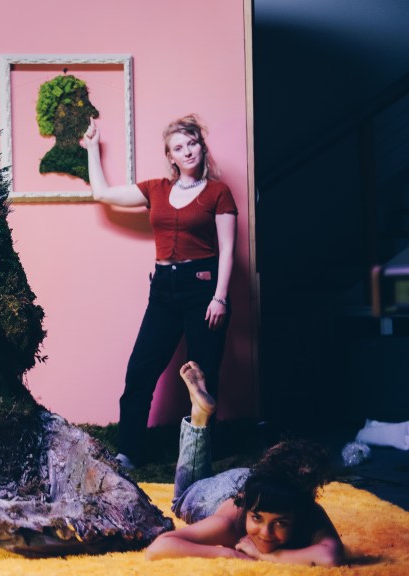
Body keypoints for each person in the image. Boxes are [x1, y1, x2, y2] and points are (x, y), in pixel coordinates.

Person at [81, 115, 238, 468]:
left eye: (192, 144)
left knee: (202, 378)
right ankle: (129, 452)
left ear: (202, 147)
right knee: (140, 371)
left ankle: (199, 456)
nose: (188, 152)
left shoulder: (218, 193)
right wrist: (92, 148)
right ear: (170, 156)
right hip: (163, 290)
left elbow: (228, 249)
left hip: (204, 289)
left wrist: (220, 297)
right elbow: (102, 194)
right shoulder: (156, 190)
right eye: (179, 148)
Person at [145, 361, 344, 566]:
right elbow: (158, 548)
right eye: (257, 518)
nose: (265, 533)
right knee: (181, 499)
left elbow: (331, 557)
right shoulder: (229, 524)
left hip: (266, 476)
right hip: (219, 493)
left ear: (298, 517)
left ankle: (200, 415)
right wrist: (230, 554)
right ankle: (198, 416)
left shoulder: (302, 505)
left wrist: (265, 556)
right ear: (247, 510)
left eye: (280, 523)